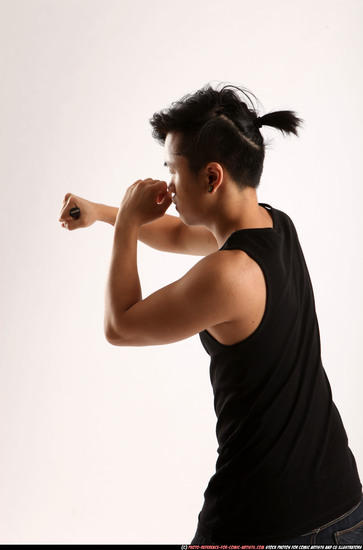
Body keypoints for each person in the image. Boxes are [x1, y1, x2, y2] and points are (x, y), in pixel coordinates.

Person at [59, 83, 363, 544]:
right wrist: (103, 212)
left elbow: (120, 326)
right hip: (343, 503)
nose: (167, 184)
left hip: (266, 517)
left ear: (211, 177)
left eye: (172, 170)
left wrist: (125, 226)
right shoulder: (275, 224)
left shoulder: (227, 275)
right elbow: (181, 236)